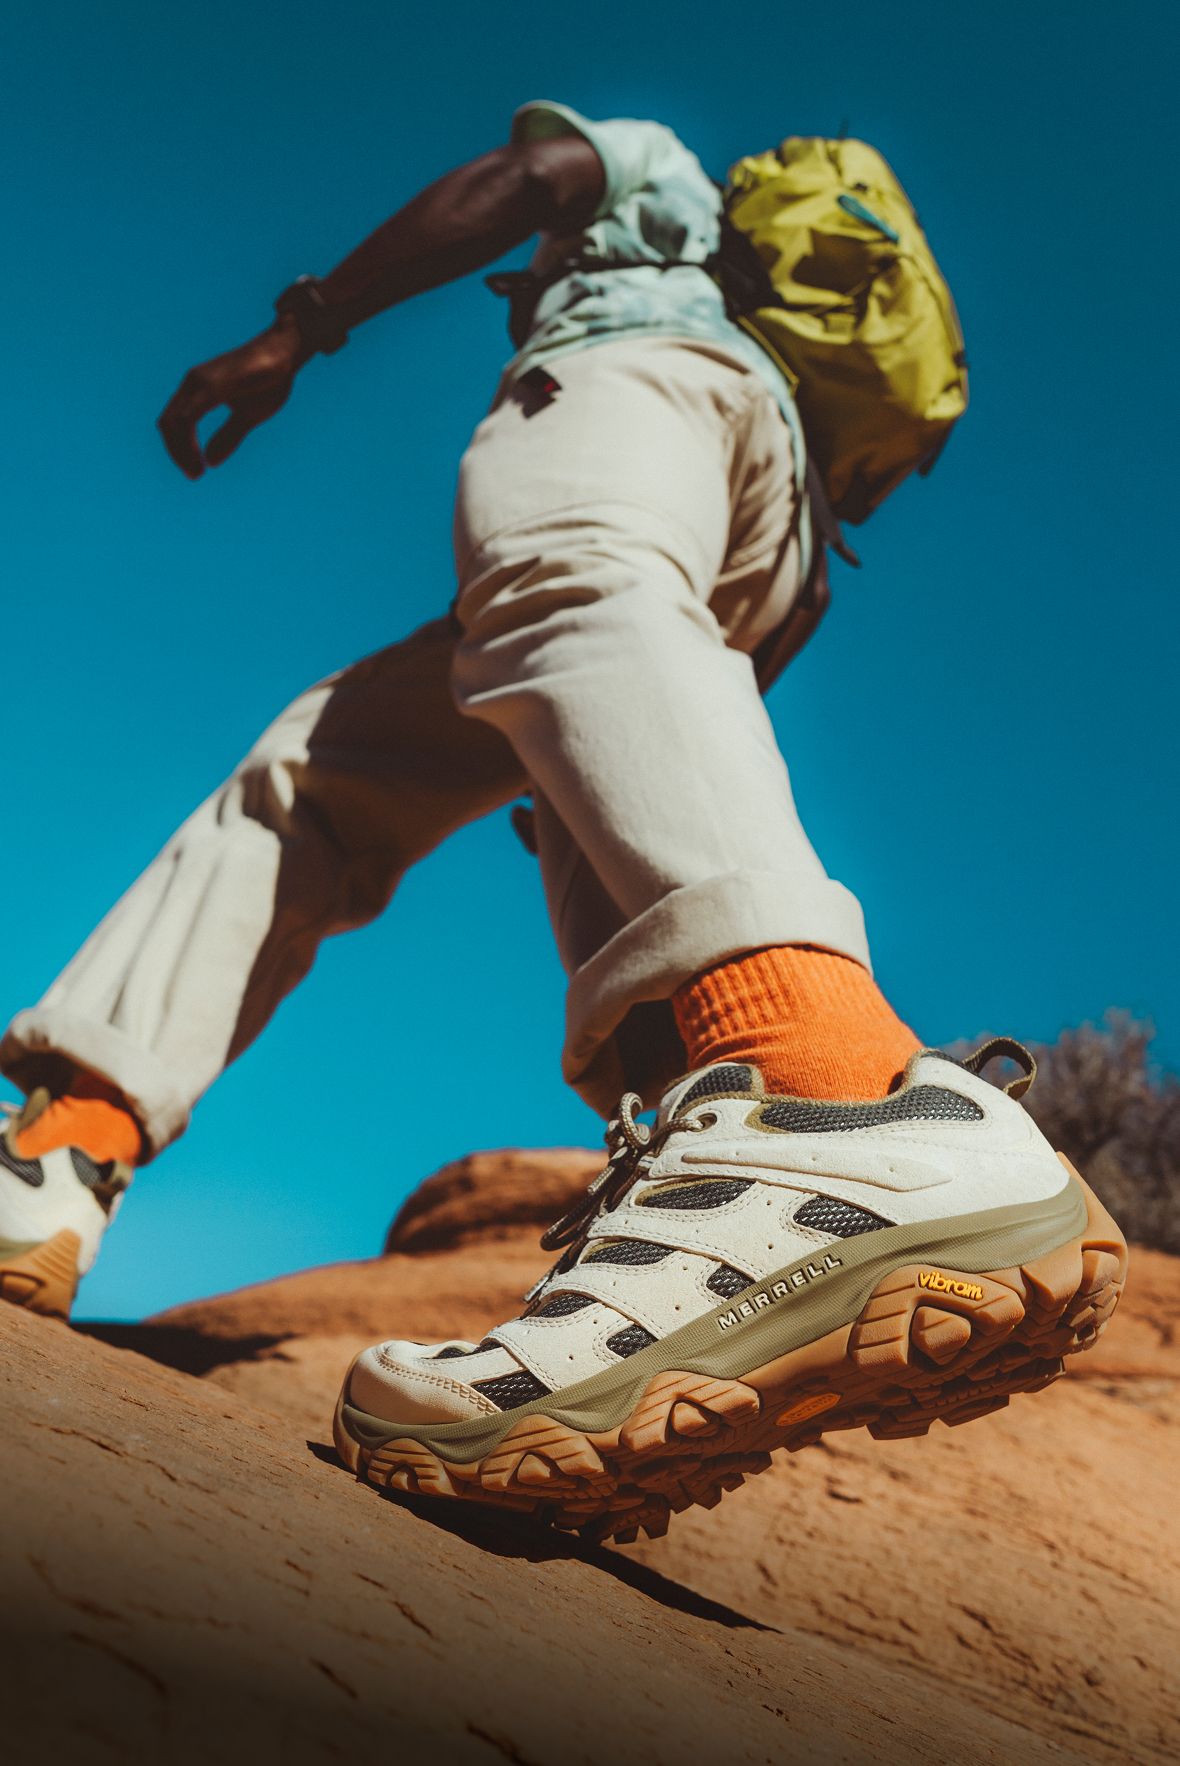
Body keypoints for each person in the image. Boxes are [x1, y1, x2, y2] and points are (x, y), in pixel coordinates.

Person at [0, 103, 1125, 1539]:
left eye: (513, 284)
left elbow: (530, 174)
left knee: (567, 574)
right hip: (766, 557)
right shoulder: (788, 448)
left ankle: (828, 1094)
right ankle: (73, 1147)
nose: (508, 291)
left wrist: (302, 326)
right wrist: (600, 784)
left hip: (648, 405)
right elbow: (721, 662)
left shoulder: (661, 195)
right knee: (327, 763)